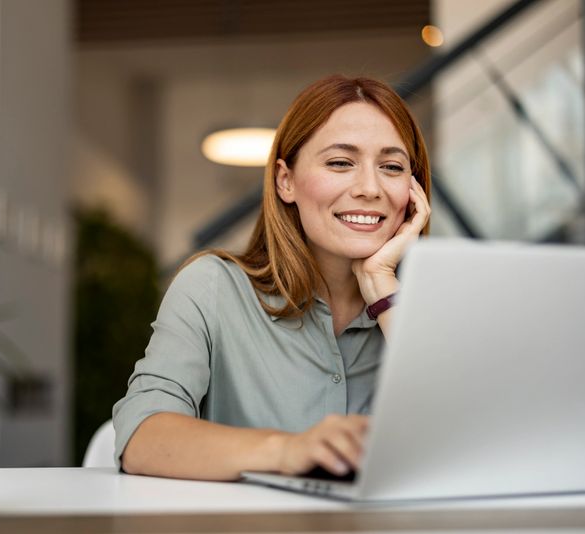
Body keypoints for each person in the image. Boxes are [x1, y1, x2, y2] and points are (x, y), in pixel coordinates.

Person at [112, 74, 431, 481]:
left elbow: (475, 446)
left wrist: (384, 290)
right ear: (286, 181)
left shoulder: (429, 307)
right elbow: (142, 437)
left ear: (413, 190)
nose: (370, 187)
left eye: (391, 167)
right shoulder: (212, 288)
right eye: (340, 162)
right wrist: (288, 450)